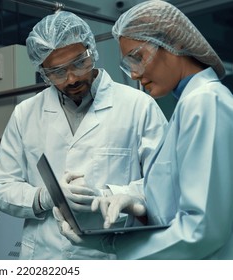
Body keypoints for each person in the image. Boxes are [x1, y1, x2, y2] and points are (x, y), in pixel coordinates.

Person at [55, 0, 233, 259]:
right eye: (128, 64)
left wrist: (114, 246)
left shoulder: (205, 102)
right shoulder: (189, 105)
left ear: (176, 42)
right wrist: (138, 202)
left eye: (138, 58)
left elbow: (202, 229)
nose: (135, 74)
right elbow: (177, 193)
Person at [0, 10, 168, 260]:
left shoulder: (138, 107)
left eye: (78, 63)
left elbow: (165, 183)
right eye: (58, 72)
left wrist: (109, 195)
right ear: (43, 72)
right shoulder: (25, 114)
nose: (72, 78)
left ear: (91, 52)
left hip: (111, 256)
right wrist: (44, 197)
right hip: (45, 257)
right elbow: (1, 188)